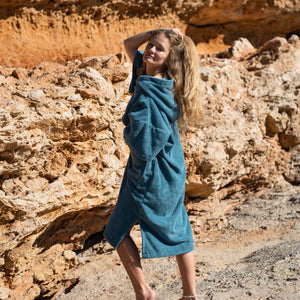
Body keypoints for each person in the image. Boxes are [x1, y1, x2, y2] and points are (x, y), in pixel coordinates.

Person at [104, 28, 202, 300]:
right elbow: (127, 44)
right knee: (179, 226)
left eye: (159, 49)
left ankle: (144, 292)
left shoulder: (150, 94)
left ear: (169, 60)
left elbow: (144, 148)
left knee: (116, 231)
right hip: (170, 168)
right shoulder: (149, 76)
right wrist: (156, 31)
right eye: (151, 45)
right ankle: (189, 295)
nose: (151, 50)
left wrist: (124, 130)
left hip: (148, 175)